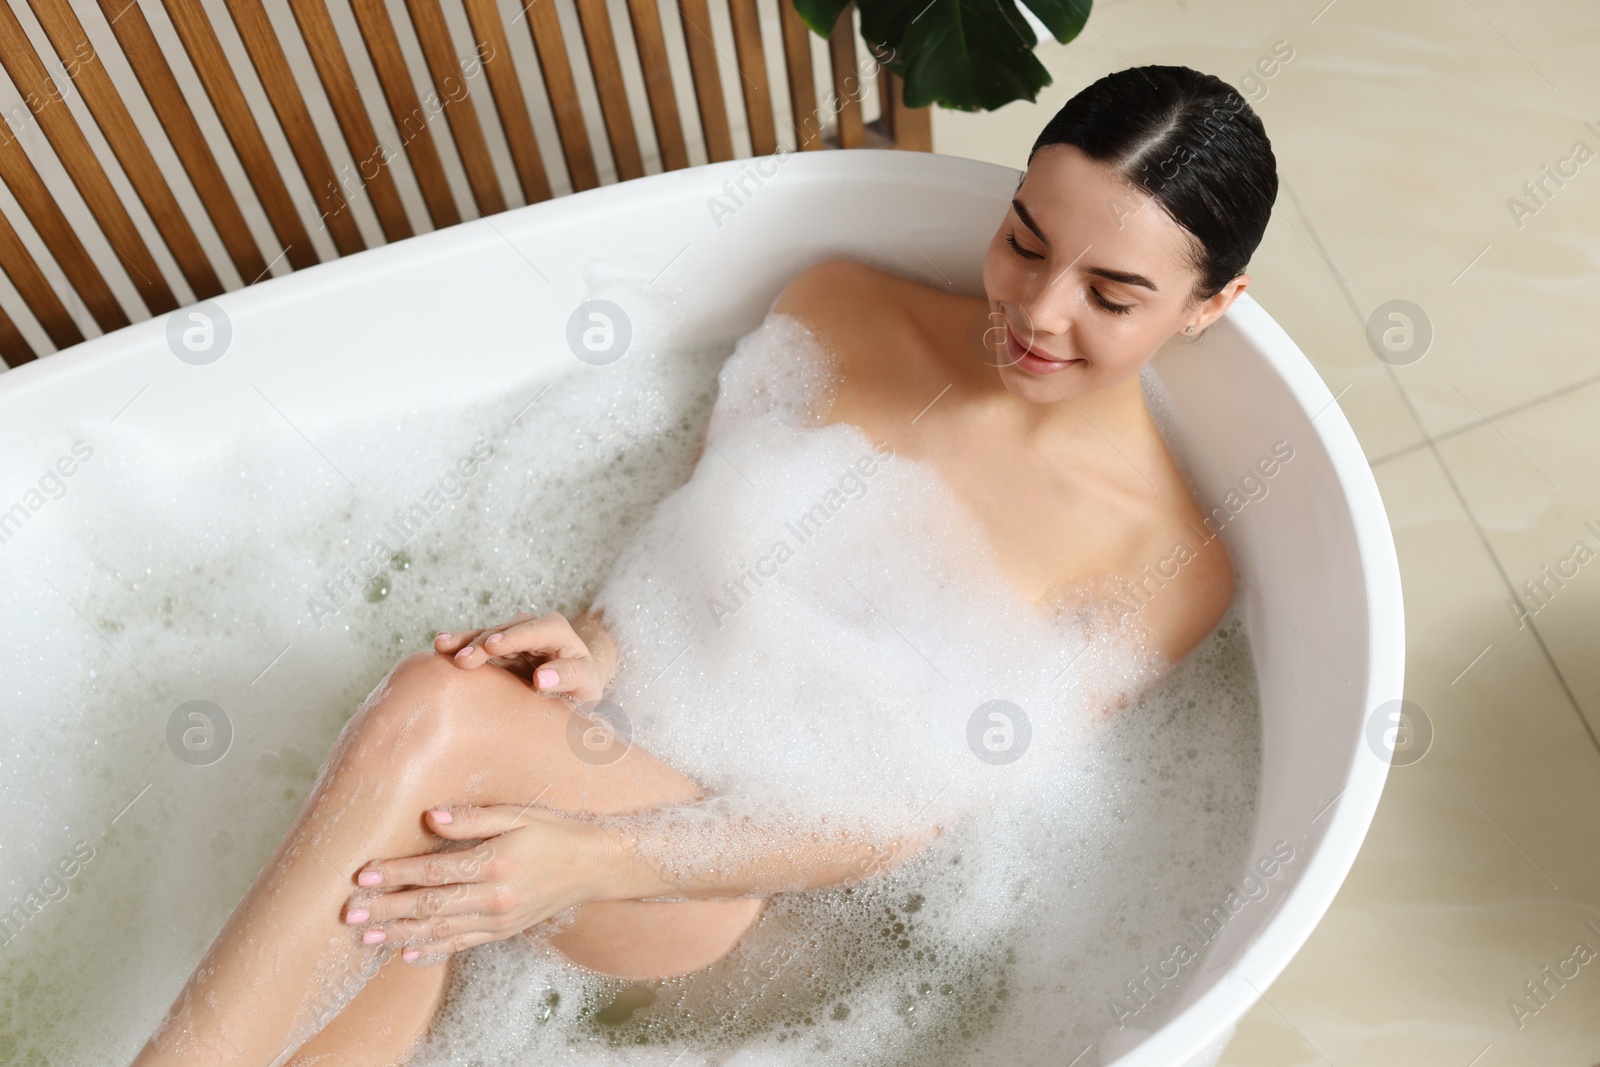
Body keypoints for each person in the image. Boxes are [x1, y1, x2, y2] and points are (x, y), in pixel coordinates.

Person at [130, 63, 1276, 1067]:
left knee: (438, 709)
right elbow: (696, 540)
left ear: (1209, 305)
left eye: (1111, 294)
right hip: (602, 769)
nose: (1034, 307)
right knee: (414, 850)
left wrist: (585, 857)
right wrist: (599, 643)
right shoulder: (842, 308)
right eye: (1024, 239)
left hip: (750, 904)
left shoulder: (1162, 559)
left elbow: (906, 818)